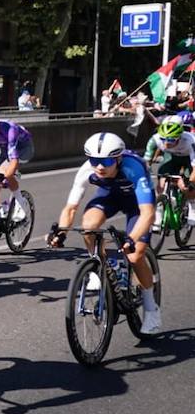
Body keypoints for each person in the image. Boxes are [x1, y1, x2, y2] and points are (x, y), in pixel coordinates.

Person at [49, 132, 160, 333]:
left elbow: (148, 214)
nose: (100, 166)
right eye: (94, 160)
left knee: (135, 256)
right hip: (109, 195)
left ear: (118, 159)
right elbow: (71, 208)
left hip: (137, 202)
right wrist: (61, 233)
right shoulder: (86, 170)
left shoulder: (133, 168)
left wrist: (132, 239)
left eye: (107, 161)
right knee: (88, 225)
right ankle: (99, 267)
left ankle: (152, 309)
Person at [144, 117, 195, 224]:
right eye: (163, 139)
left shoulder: (190, 141)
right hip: (171, 157)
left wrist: (190, 183)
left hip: (188, 160)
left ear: (179, 137)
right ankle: (159, 212)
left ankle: (192, 206)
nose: (166, 143)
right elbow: (146, 162)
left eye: (171, 139)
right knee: (161, 182)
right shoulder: (155, 139)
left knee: (186, 186)